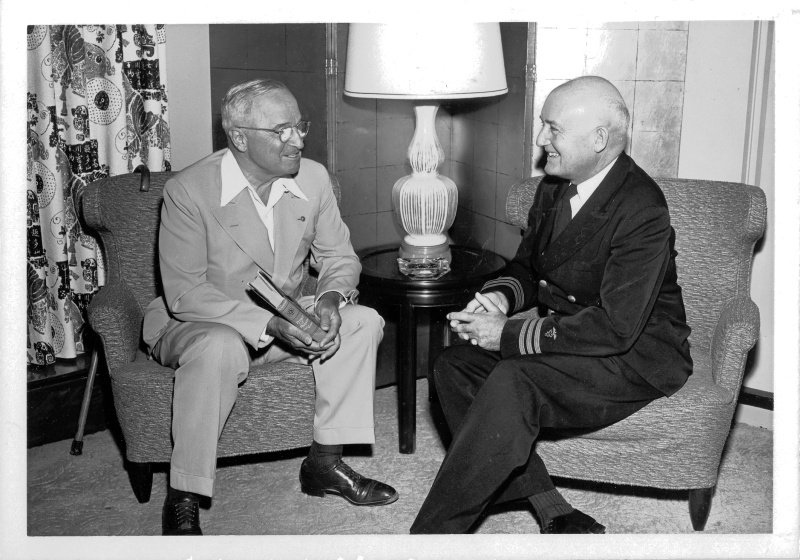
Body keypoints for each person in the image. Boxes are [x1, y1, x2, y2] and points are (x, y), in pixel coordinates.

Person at [409, 76, 692, 534]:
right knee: (452, 364)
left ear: (598, 139)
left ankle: (431, 538)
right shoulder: (554, 188)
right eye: (544, 125)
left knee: (514, 379)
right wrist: (500, 297)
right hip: (574, 339)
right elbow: (528, 267)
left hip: (632, 357)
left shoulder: (642, 208)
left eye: (553, 128)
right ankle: (550, 505)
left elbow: (616, 327)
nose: (541, 140)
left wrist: (507, 334)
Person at [142, 79, 398, 536]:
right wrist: (269, 325)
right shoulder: (189, 190)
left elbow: (339, 258)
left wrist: (330, 299)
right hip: (202, 324)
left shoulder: (313, 179)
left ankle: (324, 464)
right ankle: (184, 494)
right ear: (239, 138)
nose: (297, 140)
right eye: (282, 131)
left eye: (300, 126)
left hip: (285, 320)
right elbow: (185, 293)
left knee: (363, 322)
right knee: (219, 346)